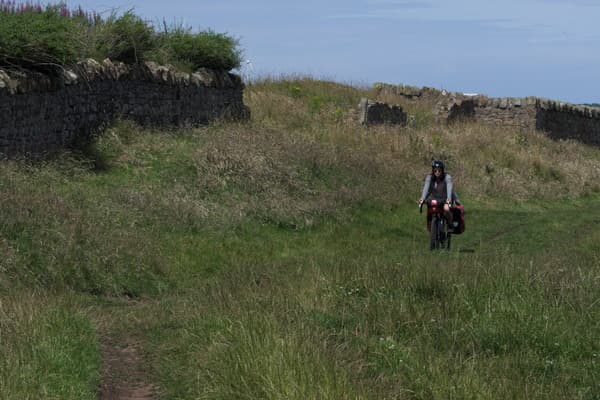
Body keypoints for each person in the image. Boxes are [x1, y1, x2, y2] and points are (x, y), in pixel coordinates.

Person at [418, 160, 459, 230]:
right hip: (435, 198)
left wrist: (449, 199)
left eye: (439, 171)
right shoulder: (429, 177)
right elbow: (426, 188)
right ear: (433, 171)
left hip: (445, 198)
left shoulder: (447, 177)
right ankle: (431, 226)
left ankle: (450, 224)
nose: (437, 172)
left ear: (442, 171)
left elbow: (449, 188)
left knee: (446, 209)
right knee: (430, 209)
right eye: (435, 171)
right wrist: (422, 198)